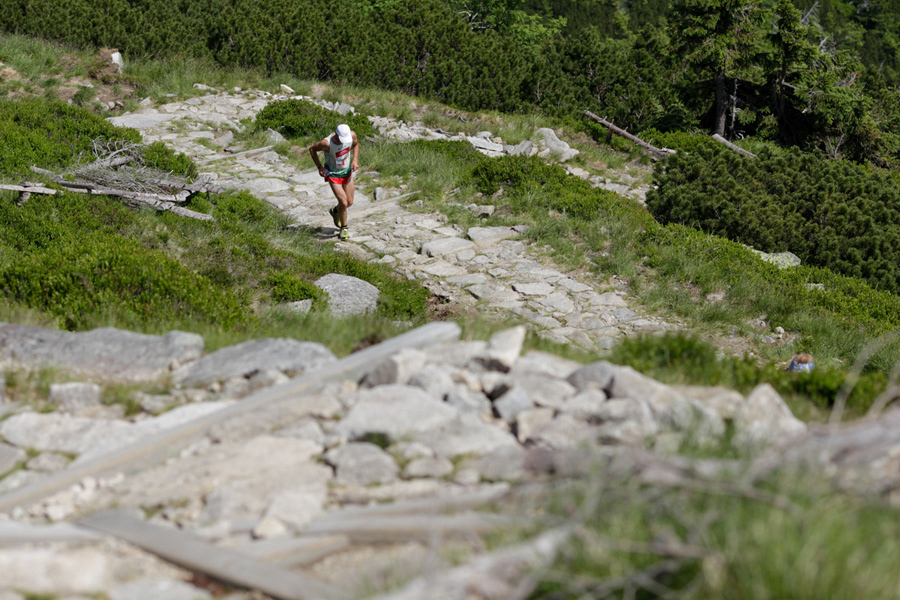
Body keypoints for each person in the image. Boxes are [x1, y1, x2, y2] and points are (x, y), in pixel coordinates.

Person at [309, 123, 359, 240]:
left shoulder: (352, 136)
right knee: (343, 201)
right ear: (336, 134)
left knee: (350, 202)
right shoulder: (326, 143)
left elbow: (356, 145)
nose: (343, 142)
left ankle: (335, 211)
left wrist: (355, 160)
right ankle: (344, 229)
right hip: (333, 175)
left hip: (346, 173)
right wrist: (320, 167)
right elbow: (312, 149)